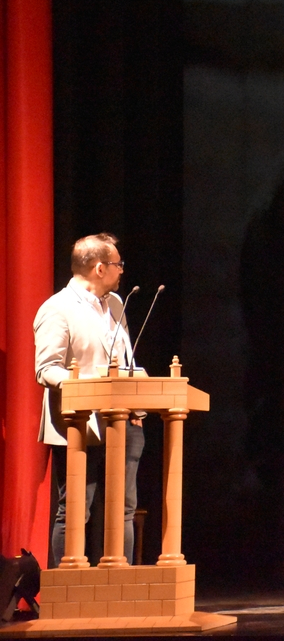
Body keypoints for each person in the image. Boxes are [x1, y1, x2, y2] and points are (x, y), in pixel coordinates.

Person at [35, 233, 143, 567]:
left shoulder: (116, 304)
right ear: (99, 268)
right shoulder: (57, 309)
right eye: (117, 264)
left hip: (121, 420)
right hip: (79, 423)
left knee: (123, 509)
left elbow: (124, 359)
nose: (121, 270)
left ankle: (121, 584)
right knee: (75, 508)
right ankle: (69, 585)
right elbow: (46, 369)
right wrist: (89, 386)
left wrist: (137, 405)